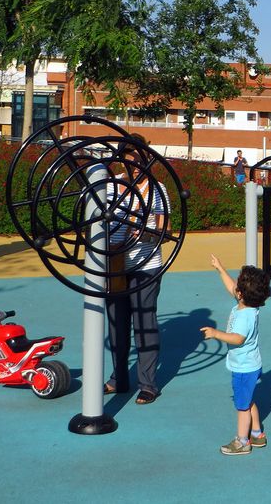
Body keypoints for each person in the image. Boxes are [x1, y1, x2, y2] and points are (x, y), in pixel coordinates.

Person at [104, 133, 171, 405]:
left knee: (144, 323)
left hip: (146, 266)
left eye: (138, 156)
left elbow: (166, 232)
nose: (133, 162)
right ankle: (119, 377)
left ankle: (148, 384)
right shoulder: (111, 187)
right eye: (128, 156)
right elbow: (97, 223)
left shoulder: (157, 190)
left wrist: (143, 234)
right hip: (115, 265)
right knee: (116, 323)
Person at [201, 255, 271, 456]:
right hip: (252, 364)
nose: (235, 288)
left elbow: (237, 339)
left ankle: (242, 441)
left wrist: (216, 334)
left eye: (238, 285)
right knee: (249, 400)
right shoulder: (249, 305)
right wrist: (220, 268)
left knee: (242, 406)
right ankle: (257, 434)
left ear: (241, 294)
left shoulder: (244, 316)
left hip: (243, 367)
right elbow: (231, 287)